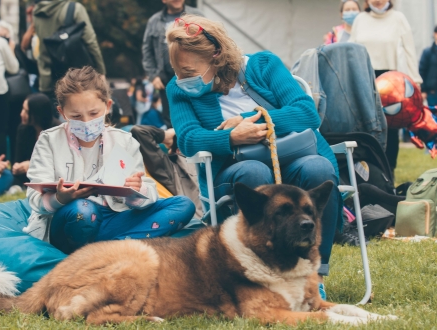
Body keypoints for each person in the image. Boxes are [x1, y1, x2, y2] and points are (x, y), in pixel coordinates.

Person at [166, 15, 341, 299]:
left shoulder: (263, 66)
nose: (182, 79)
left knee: (318, 168)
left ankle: (313, 276)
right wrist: (231, 137)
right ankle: (255, 275)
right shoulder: (179, 90)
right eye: (177, 71)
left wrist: (248, 120)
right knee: (253, 174)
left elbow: (306, 112)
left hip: (291, 161)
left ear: (216, 56)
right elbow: (187, 139)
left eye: (189, 71)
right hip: (234, 171)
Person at [25, 66, 195, 254]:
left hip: (114, 218)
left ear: (107, 106)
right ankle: (111, 248)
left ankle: (110, 249)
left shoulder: (124, 140)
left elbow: (147, 194)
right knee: (83, 210)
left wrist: (137, 190)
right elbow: (35, 198)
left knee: (183, 205)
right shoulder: (49, 140)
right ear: (62, 112)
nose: (86, 121)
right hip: (71, 220)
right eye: (76, 116)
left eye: (94, 113)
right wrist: (59, 198)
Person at [349, 0, 422, 174]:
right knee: (365, 126)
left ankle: (389, 173)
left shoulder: (398, 18)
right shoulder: (360, 19)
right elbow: (351, 51)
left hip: (391, 82)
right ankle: (369, 173)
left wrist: (414, 82)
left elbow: (409, 51)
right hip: (365, 78)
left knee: (390, 128)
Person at [142, 0, 203, 127]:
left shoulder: (196, 16)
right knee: (171, 118)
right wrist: (153, 76)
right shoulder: (154, 21)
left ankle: (201, 143)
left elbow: (207, 42)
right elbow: (147, 50)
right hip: (166, 79)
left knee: (199, 113)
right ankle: (175, 145)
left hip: (194, 75)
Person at [33, 0, 106, 103]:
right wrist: (101, 71)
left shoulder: (37, 12)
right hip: (77, 79)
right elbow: (90, 41)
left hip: (48, 77)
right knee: (76, 116)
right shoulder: (74, 8)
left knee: (55, 115)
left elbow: (42, 48)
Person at [12, 93, 61, 187]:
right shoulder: (23, 129)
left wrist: (31, 165)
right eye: (23, 109)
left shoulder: (57, 130)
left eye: (26, 111)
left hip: (51, 177)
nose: (21, 114)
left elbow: (59, 165)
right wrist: (18, 167)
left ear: (37, 114)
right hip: (27, 177)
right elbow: (18, 159)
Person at [0, 23, 19, 157]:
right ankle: (2, 167)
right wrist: (11, 49)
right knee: (0, 130)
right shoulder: (0, 43)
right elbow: (14, 68)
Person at [419, 26, 437, 108]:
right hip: (432, 92)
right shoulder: (427, 53)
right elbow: (422, 71)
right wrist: (423, 90)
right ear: (434, 34)